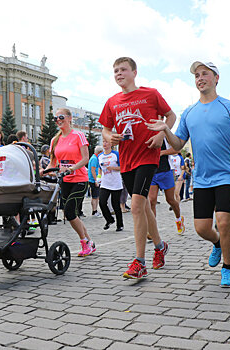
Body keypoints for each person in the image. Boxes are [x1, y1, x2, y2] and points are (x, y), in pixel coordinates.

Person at [146, 60, 230, 287]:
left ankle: (227, 268)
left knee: (224, 222)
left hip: (226, 174)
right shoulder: (189, 112)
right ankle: (217, 243)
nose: (200, 78)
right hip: (202, 179)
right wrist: (166, 129)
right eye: (196, 75)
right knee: (202, 228)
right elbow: (177, 145)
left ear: (216, 78)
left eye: (204, 74)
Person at [100, 57, 175, 279]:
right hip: (127, 159)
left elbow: (171, 115)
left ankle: (139, 262)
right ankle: (160, 246)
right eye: (115, 71)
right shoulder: (112, 101)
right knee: (143, 208)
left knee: (135, 206)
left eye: (123, 69)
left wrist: (162, 134)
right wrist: (109, 136)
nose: (119, 74)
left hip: (147, 156)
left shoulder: (150, 94)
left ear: (134, 72)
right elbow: (105, 128)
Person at [42, 108, 95, 257]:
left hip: (79, 179)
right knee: (71, 213)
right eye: (55, 118)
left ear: (70, 118)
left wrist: (72, 168)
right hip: (64, 180)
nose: (58, 120)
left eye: (61, 117)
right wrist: (43, 171)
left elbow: (85, 158)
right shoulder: (55, 139)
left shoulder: (78, 135)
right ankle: (90, 243)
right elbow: (53, 162)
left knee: (71, 212)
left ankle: (84, 242)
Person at [148, 140, 184, 234]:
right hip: (151, 172)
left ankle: (178, 219)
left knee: (170, 200)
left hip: (166, 171)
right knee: (151, 200)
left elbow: (177, 149)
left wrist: (162, 152)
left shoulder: (164, 135)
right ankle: (152, 230)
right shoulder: (145, 133)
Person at [98, 140, 123, 231]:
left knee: (115, 205)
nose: (104, 144)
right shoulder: (100, 156)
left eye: (107, 142)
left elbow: (122, 167)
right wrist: (98, 177)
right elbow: (100, 168)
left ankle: (120, 224)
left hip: (115, 183)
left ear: (111, 144)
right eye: (103, 142)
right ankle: (109, 219)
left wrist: (113, 168)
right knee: (102, 202)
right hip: (105, 183)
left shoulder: (116, 154)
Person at [88, 146, 103, 217]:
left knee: (96, 196)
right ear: (99, 152)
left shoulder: (95, 158)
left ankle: (95, 210)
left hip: (95, 179)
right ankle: (94, 211)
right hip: (93, 180)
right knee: (95, 196)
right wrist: (96, 180)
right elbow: (93, 170)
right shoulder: (94, 159)